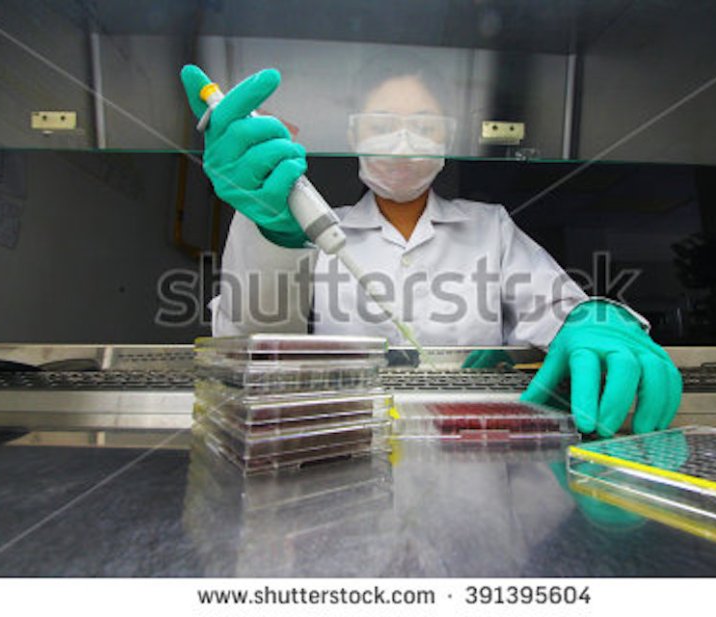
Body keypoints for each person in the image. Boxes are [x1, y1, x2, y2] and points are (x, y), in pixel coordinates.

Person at [180, 61, 682, 437]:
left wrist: (595, 320)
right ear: (353, 134)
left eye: (423, 125)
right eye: (381, 124)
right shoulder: (307, 228)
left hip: (476, 465)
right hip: (346, 454)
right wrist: (267, 229)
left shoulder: (489, 227)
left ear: (448, 137)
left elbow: (559, 313)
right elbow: (251, 348)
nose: (402, 143)